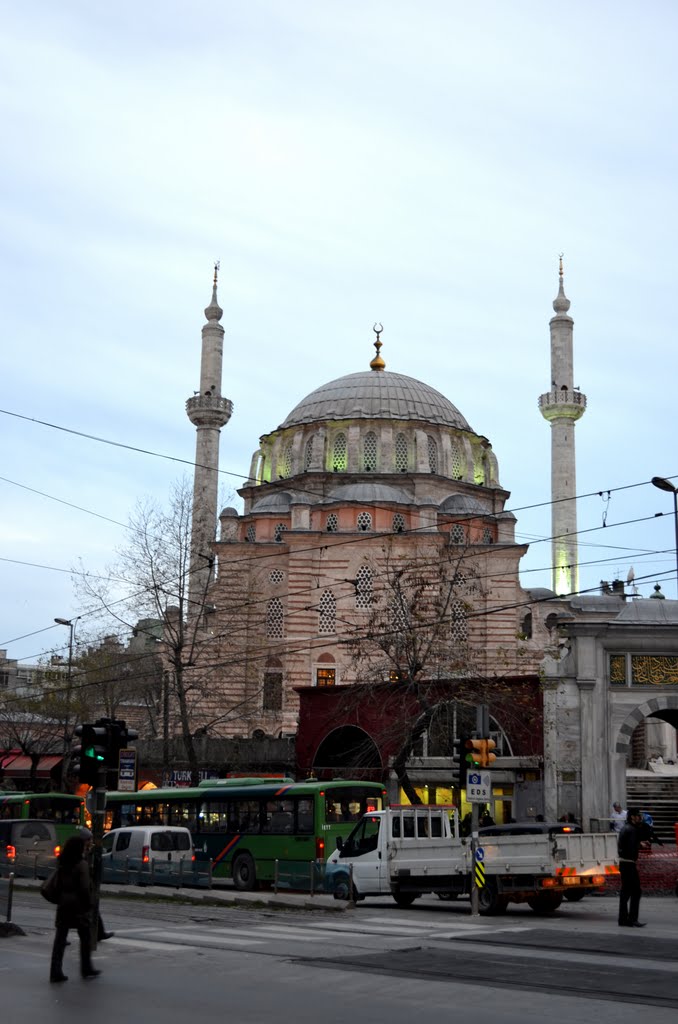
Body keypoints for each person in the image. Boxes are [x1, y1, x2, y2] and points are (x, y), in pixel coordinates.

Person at [49, 835, 101, 982]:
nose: (85, 849)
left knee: (60, 939)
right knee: (85, 937)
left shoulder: (62, 863)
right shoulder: (81, 864)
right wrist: (88, 904)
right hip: (77, 905)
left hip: (64, 903)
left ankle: (55, 971)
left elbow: (57, 884)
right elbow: (84, 887)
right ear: (79, 849)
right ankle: (86, 968)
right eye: (84, 847)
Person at [617, 808, 645, 928]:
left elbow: (627, 844)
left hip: (623, 863)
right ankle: (633, 918)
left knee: (625, 892)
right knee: (636, 891)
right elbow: (631, 848)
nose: (639, 818)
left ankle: (623, 919)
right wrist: (640, 846)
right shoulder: (633, 830)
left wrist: (639, 844)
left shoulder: (625, 828)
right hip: (629, 864)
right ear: (632, 817)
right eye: (638, 816)